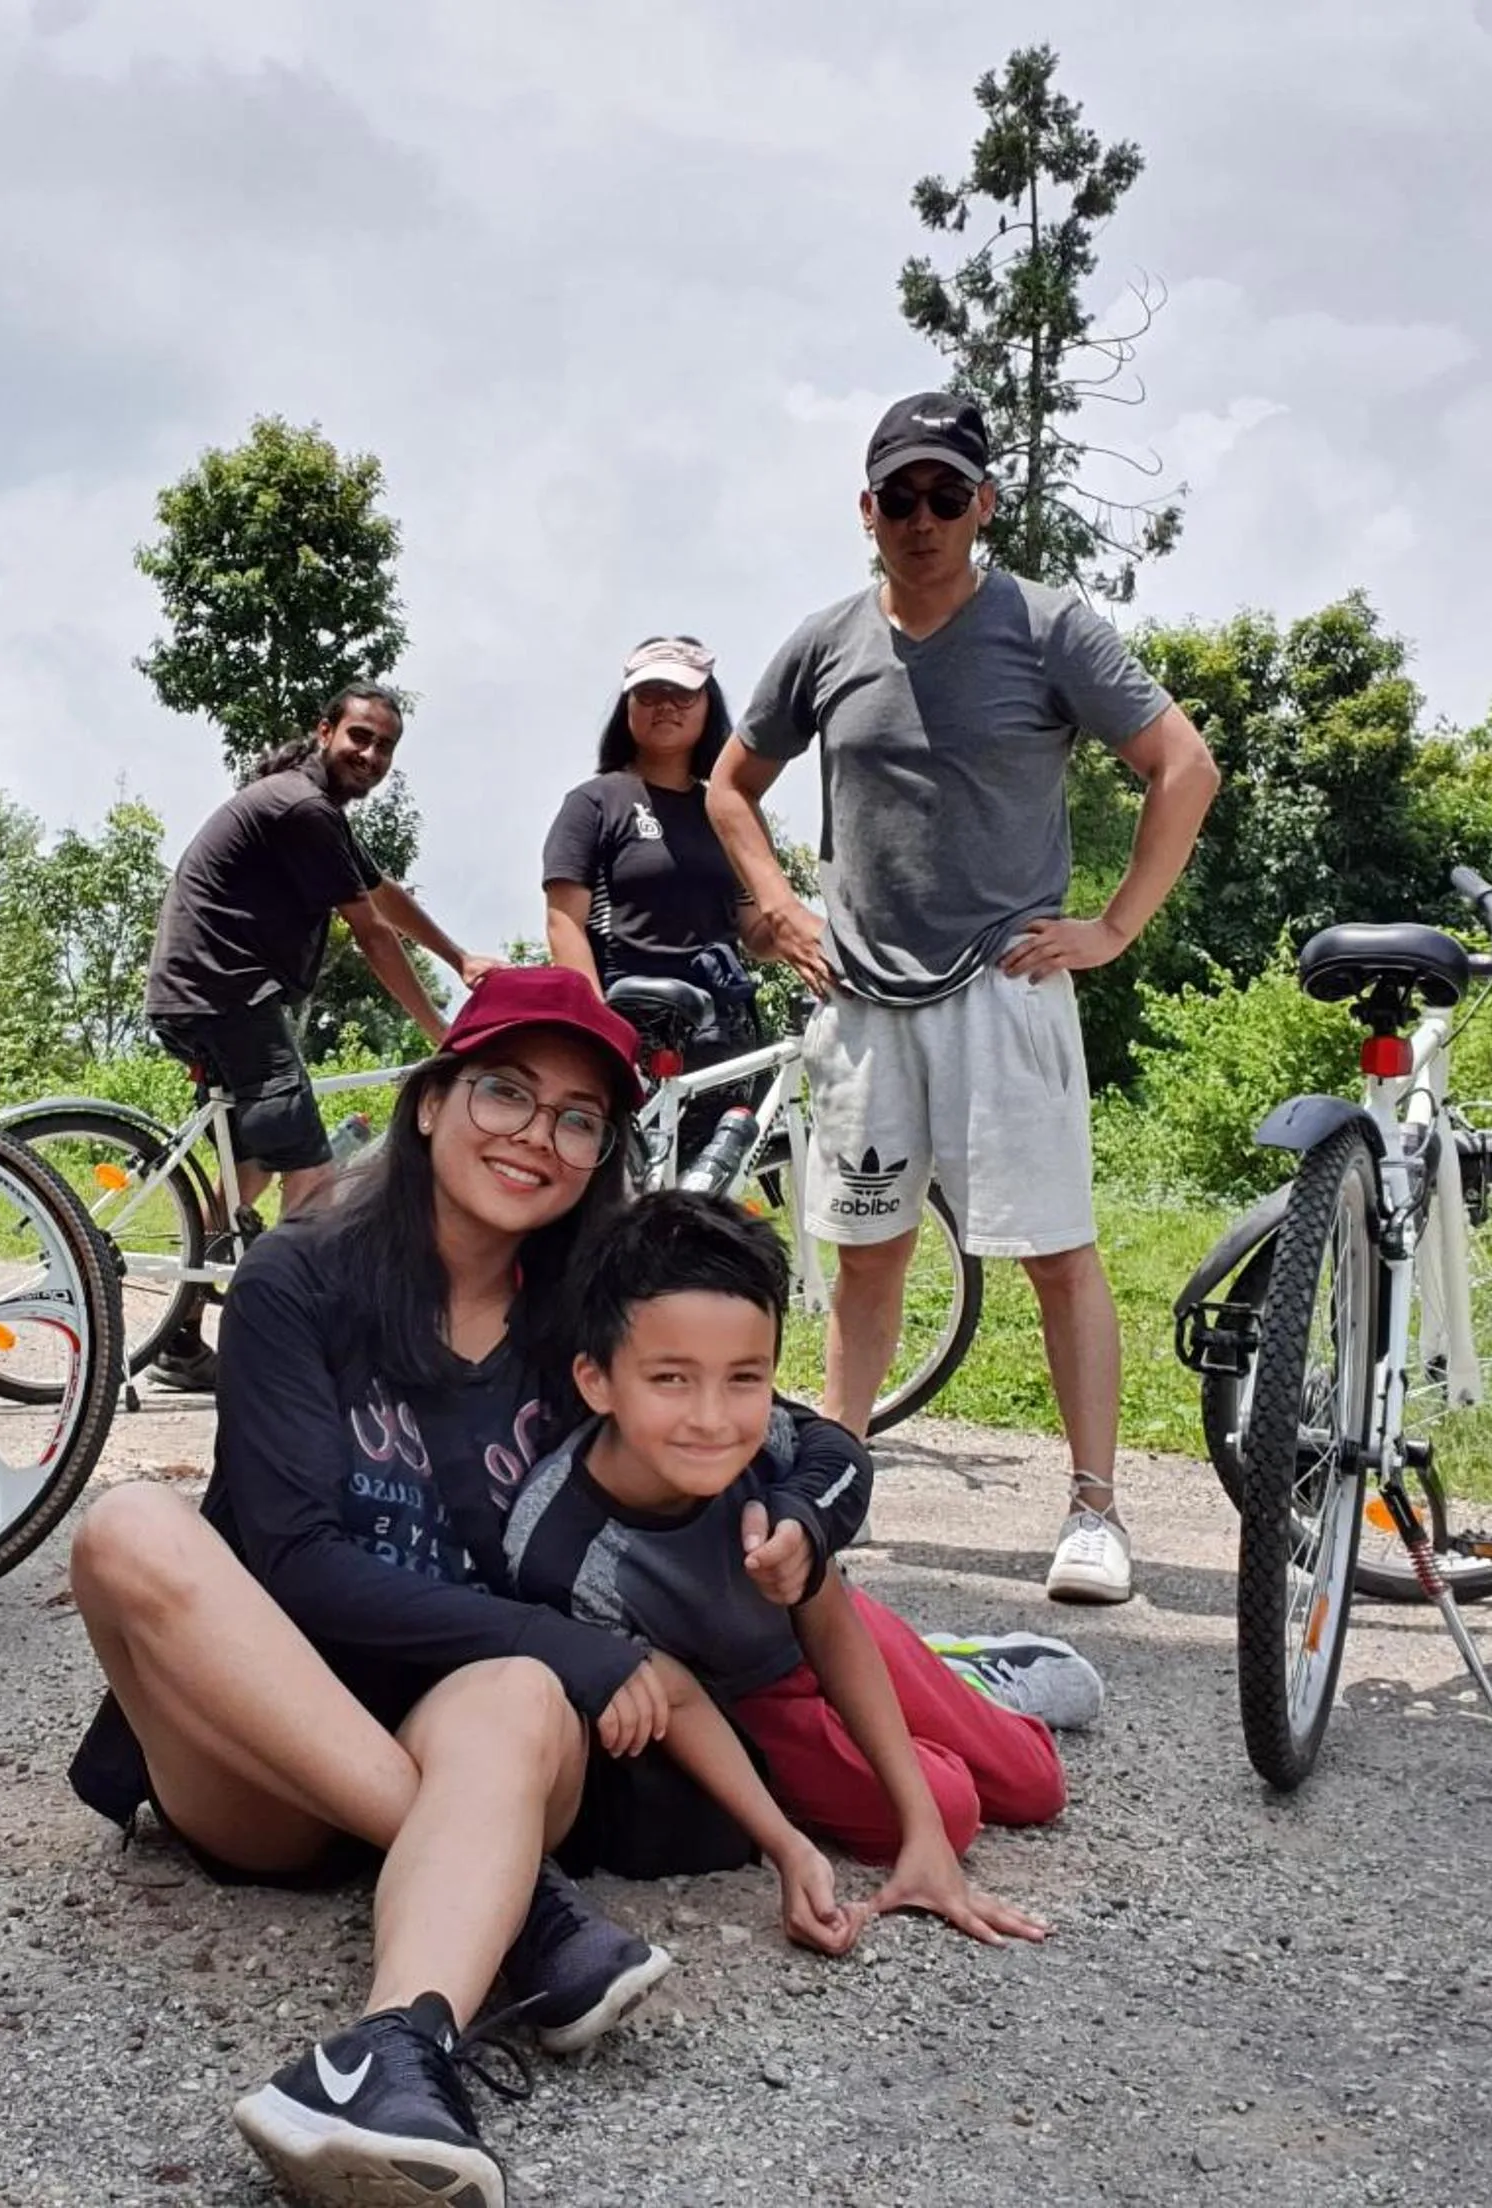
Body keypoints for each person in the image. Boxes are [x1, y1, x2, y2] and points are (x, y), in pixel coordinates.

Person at [63, 966, 865, 2208]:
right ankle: (533, 1920)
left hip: (483, 1755)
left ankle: (388, 2054)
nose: (534, 1136)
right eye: (504, 1091)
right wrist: (589, 1650)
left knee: (523, 1691)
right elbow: (290, 1563)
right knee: (128, 1528)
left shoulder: (587, 1318)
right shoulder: (300, 1277)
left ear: (602, 1152)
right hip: (265, 1758)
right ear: (432, 1102)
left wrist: (806, 1513)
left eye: (577, 1117)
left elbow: (800, 1436)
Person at [708, 391, 1222, 1604]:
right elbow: (733, 787)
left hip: (1005, 985)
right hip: (862, 995)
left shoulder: (1046, 628)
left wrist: (1111, 928)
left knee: (1054, 1252)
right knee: (865, 1250)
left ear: (984, 505)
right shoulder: (825, 641)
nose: (924, 518)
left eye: (948, 495)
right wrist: (778, 904)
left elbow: (1180, 766)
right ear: (867, 509)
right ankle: (835, 1480)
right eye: (901, 496)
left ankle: (1094, 1508)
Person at [506, 1192, 1096, 1957]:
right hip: (748, 1698)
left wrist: (805, 1527)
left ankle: (968, 1674)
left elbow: (827, 1594)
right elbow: (677, 1702)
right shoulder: (559, 1552)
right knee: (953, 1812)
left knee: (1035, 1786)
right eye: (671, 1380)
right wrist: (790, 1845)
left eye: (744, 1378)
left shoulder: (769, 1444)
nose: (713, 1418)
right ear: (596, 1381)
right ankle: (941, 1702)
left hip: (839, 1634)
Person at [141, 680, 500, 1390]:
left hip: (209, 991)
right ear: (325, 730)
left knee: (249, 1167)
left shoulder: (310, 807)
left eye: (385, 746)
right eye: (359, 737)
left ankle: (181, 1339)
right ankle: (303, 1353)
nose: (370, 754)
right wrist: (440, 1031)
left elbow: (381, 893)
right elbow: (369, 931)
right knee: (313, 1174)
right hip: (227, 991)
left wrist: (459, 959)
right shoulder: (302, 806)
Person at [540, 634, 773, 1014]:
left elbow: (758, 934)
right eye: (648, 693)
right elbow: (564, 924)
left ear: (707, 705)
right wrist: (600, 1032)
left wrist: (826, 930)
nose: (665, 705)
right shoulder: (594, 803)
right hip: (629, 1020)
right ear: (627, 705)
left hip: (724, 1026)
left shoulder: (730, 810)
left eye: (683, 693)